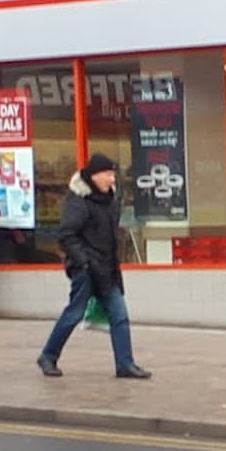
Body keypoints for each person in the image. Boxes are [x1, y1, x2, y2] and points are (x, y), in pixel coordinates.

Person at [36, 153, 152, 379]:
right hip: (87, 270)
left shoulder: (109, 199)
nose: (111, 179)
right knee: (74, 313)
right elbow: (66, 235)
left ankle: (125, 365)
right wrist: (84, 262)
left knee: (119, 316)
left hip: (107, 269)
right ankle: (48, 356)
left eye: (112, 174)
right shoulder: (78, 201)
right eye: (107, 174)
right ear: (94, 175)